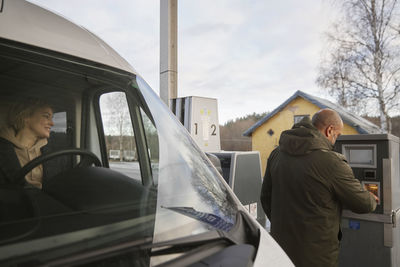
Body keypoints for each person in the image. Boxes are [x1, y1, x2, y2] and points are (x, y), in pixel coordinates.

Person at [260, 108, 379, 267]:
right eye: (337, 135)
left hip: (281, 248)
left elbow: (266, 197)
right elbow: (362, 204)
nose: (336, 140)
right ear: (330, 130)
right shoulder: (332, 162)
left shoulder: (276, 154)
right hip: (317, 255)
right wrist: (371, 198)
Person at [0, 98, 56, 188]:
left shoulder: (52, 150)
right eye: (46, 116)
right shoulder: (2, 147)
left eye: (51, 118)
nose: (52, 123)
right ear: (25, 117)